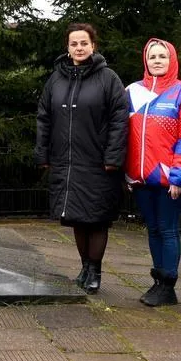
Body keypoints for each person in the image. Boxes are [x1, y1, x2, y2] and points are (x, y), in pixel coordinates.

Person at [36, 22, 129, 293]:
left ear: (93, 46)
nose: (79, 47)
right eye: (74, 43)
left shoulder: (108, 78)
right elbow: (44, 117)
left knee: (97, 218)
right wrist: (43, 153)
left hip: (98, 162)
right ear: (67, 47)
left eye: (84, 43)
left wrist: (113, 157)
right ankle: (84, 268)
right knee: (77, 217)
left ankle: (95, 271)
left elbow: (119, 120)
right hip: (67, 162)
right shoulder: (56, 78)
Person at [125, 39, 181, 306]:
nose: (156, 61)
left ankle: (168, 284)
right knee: (153, 229)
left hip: (169, 177)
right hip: (141, 176)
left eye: (162, 56)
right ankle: (158, 280)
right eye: (152, 56)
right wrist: (127, 172)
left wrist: (180, 175)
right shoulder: (132, 91)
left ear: (172, 59)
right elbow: (125, 134)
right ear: (145, 60)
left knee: (168, 229)